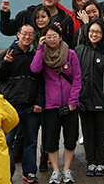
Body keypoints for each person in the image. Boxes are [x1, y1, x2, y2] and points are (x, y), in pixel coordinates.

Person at [0, 23, 45, 183]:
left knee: (31, 141)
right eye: (24, 34)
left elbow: (42, 82)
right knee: (7, 142)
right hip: (10, 106)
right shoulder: (6, 54)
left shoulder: (36, 55)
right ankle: (7, 173)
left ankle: (29, 172)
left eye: (30, 34)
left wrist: (39, 102)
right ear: (18, 34)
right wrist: (6, 63)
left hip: (30, 106)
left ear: (34, 37)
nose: (27, 37)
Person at [30, 24, 81, 184]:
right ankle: (56, 171)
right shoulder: (43, 54)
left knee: (70, 138)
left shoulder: (71, 54)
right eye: (48, 36)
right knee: (51, 140)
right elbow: (35, 69)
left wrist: (73, 102)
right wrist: (39, 48)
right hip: (51, 105)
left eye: (54, 36)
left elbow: (77, 79)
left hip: (70, 105)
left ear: (60, 37)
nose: (52, 39)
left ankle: (66, 169)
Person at [75, 19, 104, 177]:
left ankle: (101, 163)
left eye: (98, 32)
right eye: (92, 31)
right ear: (87, 32)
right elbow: (74, 76)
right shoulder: (79, 50)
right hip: (84, 99)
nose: (94, 34)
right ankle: (91, 162)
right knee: (88, 133)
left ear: (103, 34)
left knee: (101, 134)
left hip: (102, 100)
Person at [1, 0, 75, 46]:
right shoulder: (27, 13)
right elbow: (7, 30)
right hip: (28, 56)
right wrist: (5, 13)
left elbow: (68, 44)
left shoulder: (66, 20)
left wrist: (59, 34)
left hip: (52, 58)